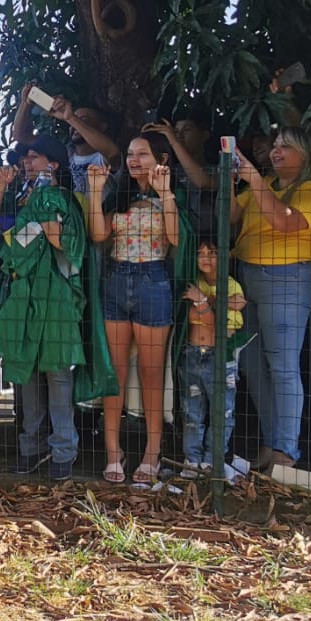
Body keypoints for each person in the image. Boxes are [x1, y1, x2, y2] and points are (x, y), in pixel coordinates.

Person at [0, 136, 87, 480]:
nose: (26, 161)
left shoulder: (60, 198)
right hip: (22, 296)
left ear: (53, 164)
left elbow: (64, 243)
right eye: (24, 157)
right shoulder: (20, 197)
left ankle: (63, 452)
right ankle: (31, 447)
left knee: (57, 375)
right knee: (24, 373)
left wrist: (43, 218)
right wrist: (0, 186)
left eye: (34, 156)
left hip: (54, 297)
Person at [233, 128, 311, 468]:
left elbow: (283, 221)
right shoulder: (268, 185)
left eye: (285, 146)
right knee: (252, 364)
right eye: (274, 145)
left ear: (305, 155)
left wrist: (253, 180)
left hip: (287, 280)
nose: (276, 151)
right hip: (248, 278)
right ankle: (272, 442)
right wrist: (234, 179)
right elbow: (231, 214)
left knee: (283, 367)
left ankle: (286, 453)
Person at [86, 134, 180, 485]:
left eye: (142, 154)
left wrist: (166, 192)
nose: (134, 160)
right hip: (116, 279)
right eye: (129, 154)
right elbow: (98, 235)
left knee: (153, 375)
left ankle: (152, 453)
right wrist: (95, 193)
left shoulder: (168, 194)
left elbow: (174, 238)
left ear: (161, 158)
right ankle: (114, 452)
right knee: (116, 372)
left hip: (153, 280)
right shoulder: (120, 193)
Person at [180, 239, 245, 478]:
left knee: (222, 411)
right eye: (200, 253)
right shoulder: (192, 283)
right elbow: (201, 316)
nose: (206, 257)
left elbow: (217, 318)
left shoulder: (232, 285)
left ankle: (212, 460)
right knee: (192, 411)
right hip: (193, 354)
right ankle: (192, 460)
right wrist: (210, 305)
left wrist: (203, 302)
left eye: (213, 252)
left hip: (221, 358)